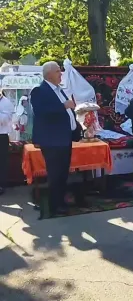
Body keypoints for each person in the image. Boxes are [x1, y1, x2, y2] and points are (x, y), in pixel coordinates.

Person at [30, 61, 79, 214]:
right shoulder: (39, 90)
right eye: (58, 71)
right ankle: (54, 205)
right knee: (55, 173)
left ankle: (61, 201)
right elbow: (41, 112)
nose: (61, 74)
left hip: (64, 138)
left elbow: (66, 112)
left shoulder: (59, 89)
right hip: (52, 140)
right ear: (49, 73)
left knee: (63, 173)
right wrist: (64, 106)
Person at [0, 89, 14, 196]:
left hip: (2, 136)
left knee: (2, 162)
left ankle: (1, 185)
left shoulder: (6, 103)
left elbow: (4, 119)